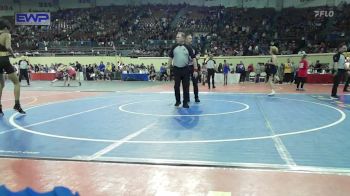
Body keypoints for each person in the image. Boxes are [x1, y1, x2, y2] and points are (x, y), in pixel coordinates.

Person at [0, 19, 25, 116]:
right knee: (16, 82)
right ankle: (17, 104)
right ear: (6, 28)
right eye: (9, 29)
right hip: (4, 60)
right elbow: (8, 47)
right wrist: (13, 55)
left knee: (1, 85)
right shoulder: (6, 34)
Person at [168, 32, 197, 108]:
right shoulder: (174, 47)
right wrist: (168, 67)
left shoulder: (188, 47)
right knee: (176, 86)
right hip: (176, 69)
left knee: (186, 87)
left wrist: (195, 70)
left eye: (178, 37)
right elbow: (170, 57)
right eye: (176, 37)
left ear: (183, 38)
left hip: (185, 69)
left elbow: (194, 58)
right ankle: (178, 101)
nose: (176, 38)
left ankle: (185, 102)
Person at [185, 34, 200, 103]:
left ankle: (196, 97)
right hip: (185, 67)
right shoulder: (183, 47)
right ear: (186, 39)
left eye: (191, 38)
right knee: (186, 84)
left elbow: (198, 55)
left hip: (193, 66)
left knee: (195, 83)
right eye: (189, 38)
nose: (191, 40)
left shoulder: (194, 47)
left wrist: (197, 56)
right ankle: (187, 98)